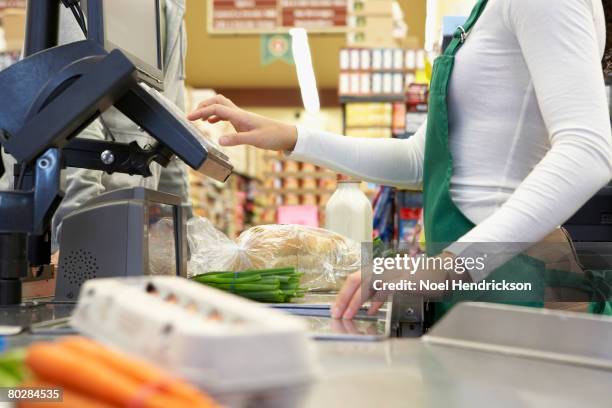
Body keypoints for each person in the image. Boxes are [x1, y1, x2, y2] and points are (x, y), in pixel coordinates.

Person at [188, 0, 612, 321]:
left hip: (512, 275)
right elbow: (417, 158)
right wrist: (292, 136)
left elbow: (587, 150)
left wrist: (444, 268)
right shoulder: (483, 11)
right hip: (479, 271)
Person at [0, 0, 192, 255]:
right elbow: (70, 114)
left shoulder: (172, 12)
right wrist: (82, 244)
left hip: (126, 230)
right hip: (75, 229)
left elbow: (172, 133)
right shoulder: (84, 7)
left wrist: (184, 239)